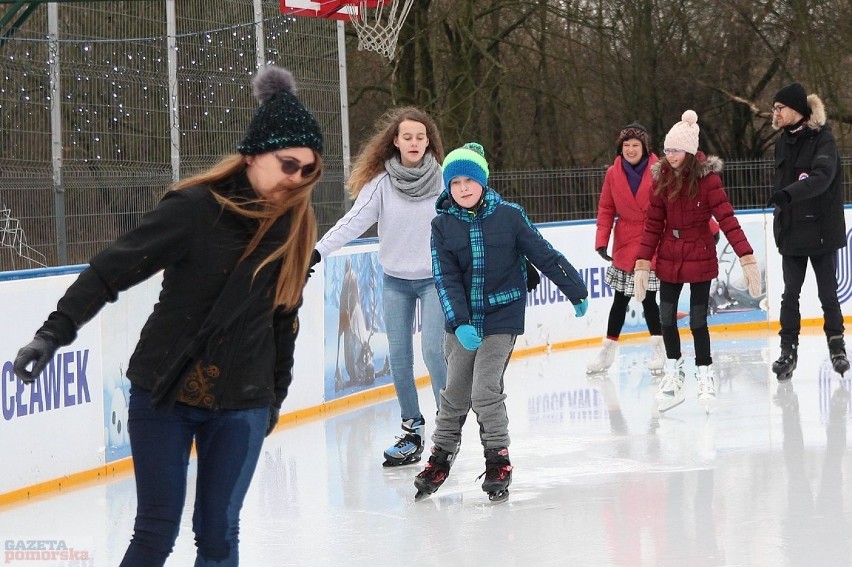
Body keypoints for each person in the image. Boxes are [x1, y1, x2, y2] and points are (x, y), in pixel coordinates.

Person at [13, 65, 323, 566]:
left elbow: (283, 321)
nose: (299, 179)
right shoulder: (195, 209)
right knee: (156, 529)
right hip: (166, 392)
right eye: (289, 164)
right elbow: (110, 270)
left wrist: (272, 399)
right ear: (252, 154)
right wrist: (53, 334)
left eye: (310, 170)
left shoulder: (296, 229)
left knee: (219, 533)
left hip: (244, 400)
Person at [414, 142, 589, 501]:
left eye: (470, 180)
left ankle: (498, 459)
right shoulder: (441, 226)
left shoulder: (509, 215)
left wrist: (575, 289)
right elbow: (444, 279)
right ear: (448, 187)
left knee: (484, 390)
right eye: (455, 182)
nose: (463, 188)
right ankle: (440, 458)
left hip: (502, 317)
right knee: (454, 395)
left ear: (483, 181)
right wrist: (459, 322)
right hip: (462, 324)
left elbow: (543, 253)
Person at [311, 107, 448, 467]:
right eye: (408, 136)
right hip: (396, 282)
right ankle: (411, 430)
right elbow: (351, 223)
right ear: (396, 142)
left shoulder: (446, 180)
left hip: (436, 280)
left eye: (421, 136)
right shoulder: (382, 184)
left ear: (429, 142)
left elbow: (474, 216)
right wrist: (316, 252)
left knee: (434, 351)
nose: (414, 142)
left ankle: (449, 428)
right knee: (399, 357)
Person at [633, 110, 762, 413]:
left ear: (689, 151)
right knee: (666, 318)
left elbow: (727, 219)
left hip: (700, 252)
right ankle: (674, 374)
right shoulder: (661, 179)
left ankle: (704, 373)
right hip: (669, 254)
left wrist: (746, 256)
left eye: (675, 149)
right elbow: (652, 224)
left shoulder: (708, 180)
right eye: (666, 149)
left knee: (697, 320)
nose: (670, 155)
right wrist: (642, 263)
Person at [767, 82, 849, 380]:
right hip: (791, 231)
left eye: (780, 108)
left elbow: (822, 177)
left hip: (821, 229)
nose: (775, 113)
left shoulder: (823, 139)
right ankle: (788, 350)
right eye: (774, 108)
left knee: (828, 292)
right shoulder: (782, 141)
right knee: (790, 294)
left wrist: (787, 195)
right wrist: (781, 213)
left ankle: (837, 344)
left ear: (797, 110)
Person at [589, 122, 665, 374]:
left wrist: (709, 228)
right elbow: (606, 208)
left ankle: (658, 348)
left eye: (635, 145)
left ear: (645, 147)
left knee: (650, 300)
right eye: (626, 145)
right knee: (619, 300)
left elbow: (680, 199)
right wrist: (602, 240)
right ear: (620, 148)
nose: (631, 150)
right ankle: (607, 352)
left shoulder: (660, 170)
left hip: (652, 239)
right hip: (625, 242)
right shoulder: (613, 173)